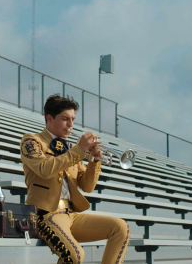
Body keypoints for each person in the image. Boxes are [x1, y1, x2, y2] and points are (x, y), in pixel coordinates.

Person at [20, 94, 129, 264]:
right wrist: (79, 150)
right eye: (65, 119)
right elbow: (44, 169)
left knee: (120, 228)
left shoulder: (70, 148)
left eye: (72, 119)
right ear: (49, 118)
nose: (70, 125)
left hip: (70, 215)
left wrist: (94, 160)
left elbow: (87, 186)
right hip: (45, 215)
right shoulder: (32, 141)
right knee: (75, 255)